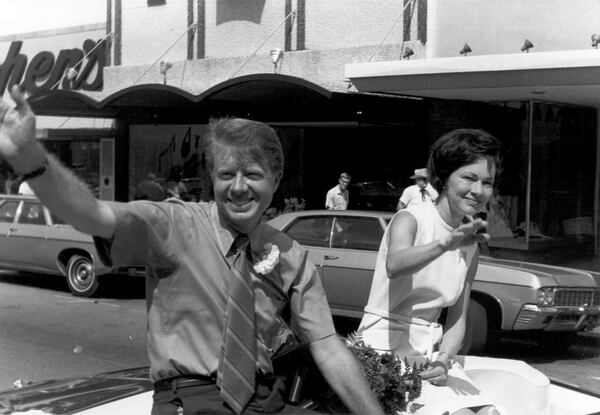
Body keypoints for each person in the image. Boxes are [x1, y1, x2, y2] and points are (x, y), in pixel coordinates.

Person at [0, 86, 384, 415]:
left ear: (276, 179)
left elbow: (328, 347)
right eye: (226, 175)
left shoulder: (291, 256)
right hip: (192, 398)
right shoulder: (174, 225)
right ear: (210, 179)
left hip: (264, 399)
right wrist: (29, 157)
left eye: (252, 174)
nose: (238, 188)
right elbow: (91, 215)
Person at [359, 129, 503, 415]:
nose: (478, 190)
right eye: (469, 178)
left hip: (430, 353)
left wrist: (445, 360)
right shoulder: (410, 219)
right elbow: (395, 266)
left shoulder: (470, 244)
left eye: (487, 182)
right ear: (444, 177)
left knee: (490, 412)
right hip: (383, 349)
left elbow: (458, 314)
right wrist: (444, 243)